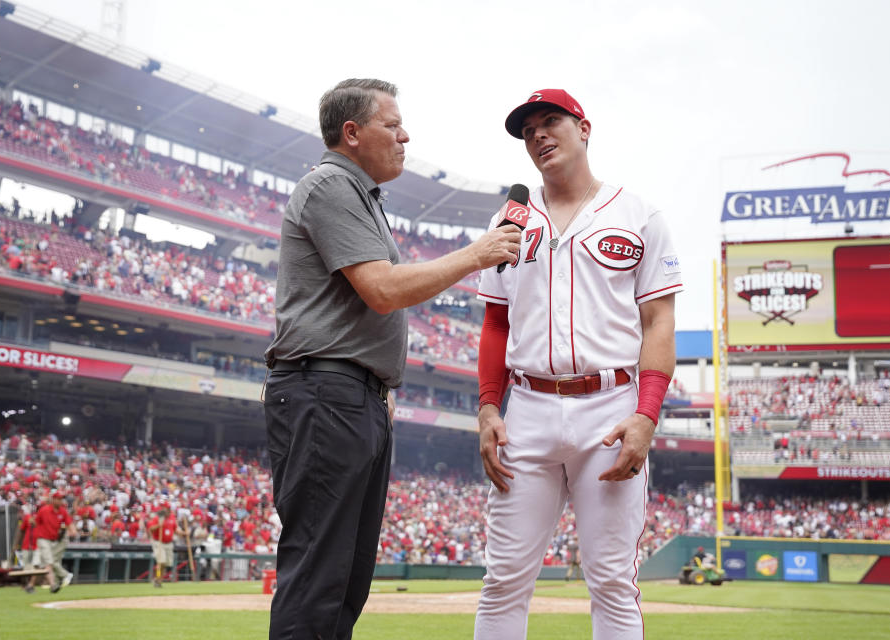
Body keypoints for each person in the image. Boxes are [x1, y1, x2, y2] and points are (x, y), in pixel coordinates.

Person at [262, 78, 520, 640]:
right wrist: (476, 254)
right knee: (319, 574)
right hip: (325, 392)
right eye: (392, 123)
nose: (406, 135)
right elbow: (381, 289)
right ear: (351, 133)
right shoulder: (331, 183)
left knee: (345, 579)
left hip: (354, 397)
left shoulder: (361, 195)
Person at [474, 89, 682, 639]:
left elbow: (659, 323)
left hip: (611, 408)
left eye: (551, 122)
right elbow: (496, 323)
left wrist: (646, 415)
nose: (538, 135)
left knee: (613, 581)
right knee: (502, 581)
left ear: (584, 129)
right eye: (527, 131)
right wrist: (488, 407)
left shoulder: (638, 214)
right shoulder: (510, 221)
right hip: (529, 410)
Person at [32, 491, 76, 594]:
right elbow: (36, 522)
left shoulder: (62, 511)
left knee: (48, 562)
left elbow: (69, 523)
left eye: (61, 499)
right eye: (58, 499)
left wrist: (73, 531)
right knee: (49, 561)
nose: (60, 501)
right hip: (43, 539)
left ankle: (36, 584)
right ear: (53, 499)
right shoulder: (44, 510)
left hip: (54, 541)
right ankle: (59, 580)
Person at [147, 503, 182, 587]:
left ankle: (159, 580)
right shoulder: (158, 518)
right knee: (161, 562)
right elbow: (150, 529)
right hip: (159, 542)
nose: (165, 510)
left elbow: (176, 530)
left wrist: (184, 533)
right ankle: (157, 578)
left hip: (169, 543)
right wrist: (158, 525)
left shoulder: (172, 518)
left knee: (166, 564)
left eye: (167, 509)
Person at [13, 502, 38, 593]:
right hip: (26, 545)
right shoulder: (27, 518)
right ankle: (26, 585)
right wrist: (16, 544)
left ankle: (31, 585)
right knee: (26, 567)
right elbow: (21, 531)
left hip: (36, 546)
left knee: (35, 566)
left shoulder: (40, 518)